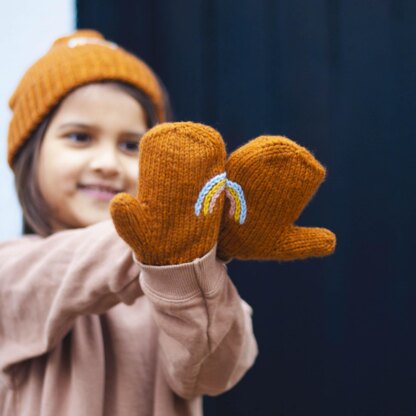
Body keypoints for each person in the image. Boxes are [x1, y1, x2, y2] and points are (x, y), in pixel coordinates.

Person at [0, 30, 259, 416]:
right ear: (28, 158)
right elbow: (71, 267)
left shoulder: (185, 276)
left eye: (130, 145)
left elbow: (216, 372)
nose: (107, 163)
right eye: (80, 137)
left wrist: (191, 262)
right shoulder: (14, 268)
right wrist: (170, 231)